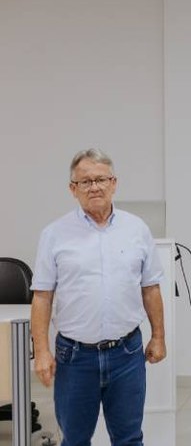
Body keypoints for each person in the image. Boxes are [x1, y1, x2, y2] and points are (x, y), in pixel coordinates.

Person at [30, 148, 166, 446]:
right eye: (85, 181)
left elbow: (150, 287)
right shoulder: (54, 234)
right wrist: (41, 351)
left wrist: (158, 336)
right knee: (75, 439)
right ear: (72, 189)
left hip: (127, 354)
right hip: (75, 357)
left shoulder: (137, 229)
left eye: (101, 179)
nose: (94, 187)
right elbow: (42, 296)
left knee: (129, 438)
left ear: (114, 183)